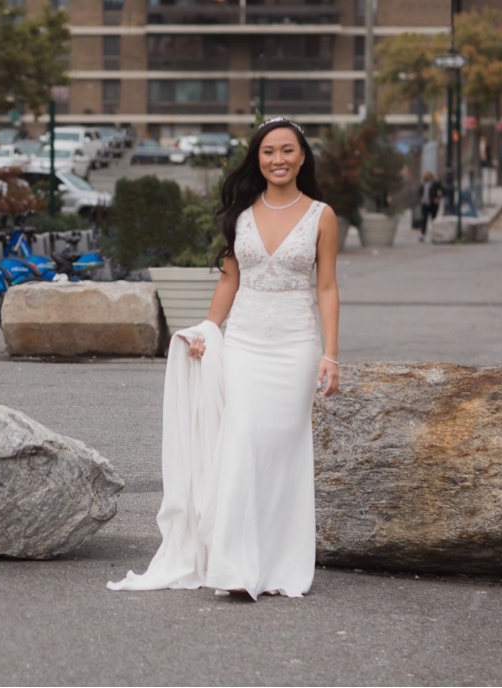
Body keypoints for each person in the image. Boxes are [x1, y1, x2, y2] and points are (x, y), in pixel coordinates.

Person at [108, 116, 341, 600]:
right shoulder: (241, 213)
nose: (278, 159)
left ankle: (278, 565)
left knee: (282, 453)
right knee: (241, 444)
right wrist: (208, 331)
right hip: (246, 346)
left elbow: (326, 286)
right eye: (268, 152)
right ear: (257, 160)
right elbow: (230, 281)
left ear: (302, 157)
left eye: (287, 150)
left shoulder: (322, 215)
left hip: (297, 346)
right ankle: (234, 565)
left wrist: (331, 354)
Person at [419, 171, 443, 242]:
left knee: (434, 219)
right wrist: (421, 198)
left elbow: (441, 191)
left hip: (433, 204)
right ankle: (423, 234)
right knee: (424, 220)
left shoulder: (436, 184)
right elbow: (420, 192)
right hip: (425, 204)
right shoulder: (423, 184)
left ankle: (434, 235)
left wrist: (437, 198)